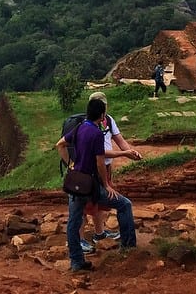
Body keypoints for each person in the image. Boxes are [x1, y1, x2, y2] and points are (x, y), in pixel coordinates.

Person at [56, 98, 137, 272]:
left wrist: (70, 164)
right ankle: (128, 248)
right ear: (102, 115)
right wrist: (106, 185)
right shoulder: (96, 134)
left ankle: (77, 262)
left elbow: (60, 144)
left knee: (74, 221)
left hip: (76, 181)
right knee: (124, 204)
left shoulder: (79, 128)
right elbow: (100, 162)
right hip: (91, 184)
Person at [79, 91, 141, 253]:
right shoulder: (89, 128)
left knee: (99, 203)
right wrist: (123, 154)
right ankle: (77, 242)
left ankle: (99, 234)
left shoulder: (109, 121)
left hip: (105, 168)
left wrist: (131, 152)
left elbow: (119, 140)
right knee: (85, 206)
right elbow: (99, 155)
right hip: (91, 171)